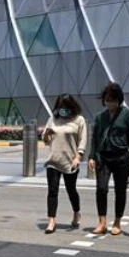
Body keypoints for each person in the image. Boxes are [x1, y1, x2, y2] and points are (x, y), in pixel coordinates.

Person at [88, 82, 129, 235]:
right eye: (108, 99)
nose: (111, 103)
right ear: (104, 100)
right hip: (104, 157)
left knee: (120, 190)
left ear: (119, 100)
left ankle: (117, 222)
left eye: (114, 99)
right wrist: (92, 157)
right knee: (101, 189)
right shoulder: (100, 117)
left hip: (122, 157)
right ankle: (102, 222)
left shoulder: (127, 114)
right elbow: (95, 139)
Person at [42, 94, 87, 234]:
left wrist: (78, 157)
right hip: (53, 161)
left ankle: (76, 213)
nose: (63, 110)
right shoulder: (53, 119)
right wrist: (46, 135)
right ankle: (51, 220)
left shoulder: (79, 120)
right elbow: (46, 140)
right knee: (52, 191)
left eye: (65, 107)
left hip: (70, 161)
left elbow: (83, 140)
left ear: (71, 107)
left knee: (71, 189)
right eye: (60, 107)